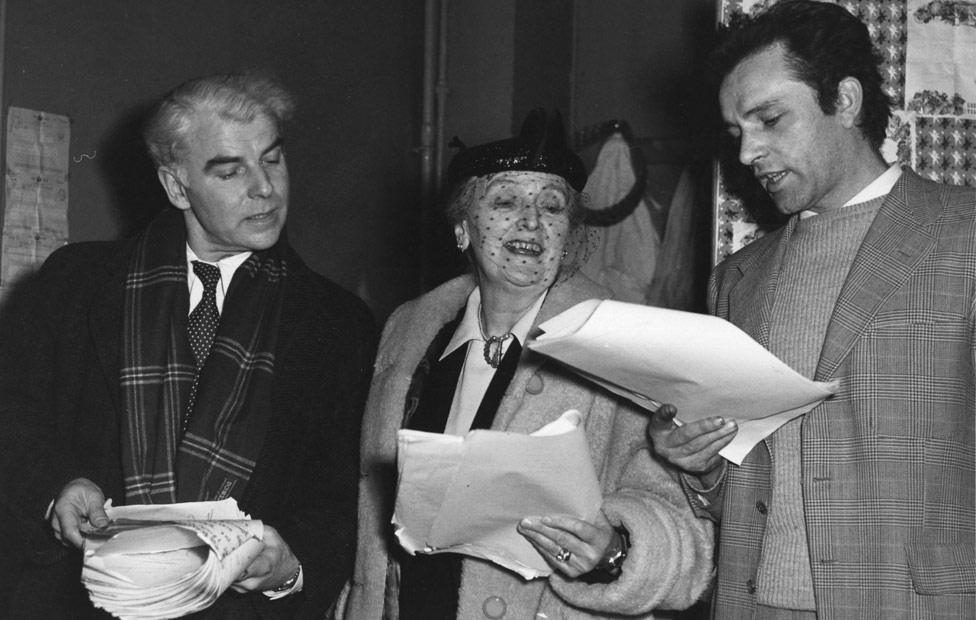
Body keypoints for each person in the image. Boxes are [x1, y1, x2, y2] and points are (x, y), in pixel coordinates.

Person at [0, 73, 376, 618]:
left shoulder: (338, 323)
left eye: (272, 159)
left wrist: (290, 567)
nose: (265, 188)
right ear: (176, 187)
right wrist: (54, 488)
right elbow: (12, 416)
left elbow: (343, 495)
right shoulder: (73, 284)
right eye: (230, 170)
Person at [646, 1, 975, 618]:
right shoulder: (736, 280)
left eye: (769, 119)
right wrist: (700, 463)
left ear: (845, 101)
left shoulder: (964, 234)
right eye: (737, 132)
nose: (747, 154)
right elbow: (742, 486)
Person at [342, 109, 714, 620]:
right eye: (506, 201)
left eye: (553, 207)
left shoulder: (620, 344)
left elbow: (685, 531)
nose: (532, 222)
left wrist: (614, 552)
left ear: (570, 235)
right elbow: (374, 524)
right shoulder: (410, 333)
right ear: (461, 228)